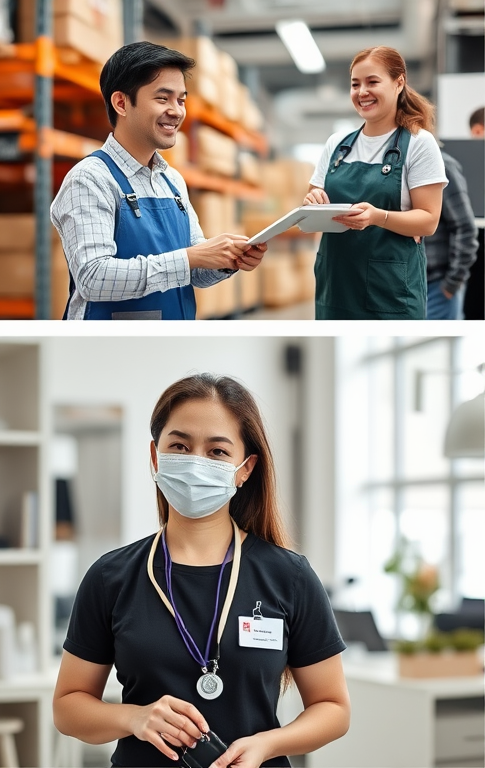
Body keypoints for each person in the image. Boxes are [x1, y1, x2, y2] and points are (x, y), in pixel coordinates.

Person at [54, 374, 350, 767]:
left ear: (245, 469)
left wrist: (268, 744)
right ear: (156, 457)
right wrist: (134, 718)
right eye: (180, 445)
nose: (196, 462)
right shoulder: (111, 576)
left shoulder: (289, 577)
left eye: (217, 452)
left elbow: (333, 708)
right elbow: (68, 707)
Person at [50, 42, 266, 321]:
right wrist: (191, 257)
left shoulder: (173, 181)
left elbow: (195, 273)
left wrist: (227, 260)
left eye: (181, 100)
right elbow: (93, 277)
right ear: (121, 103)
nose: (176, 111)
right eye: (163, 99)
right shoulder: (90, 179)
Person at [304, 46, 447, 320]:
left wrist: (378, 217)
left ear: (399, 83)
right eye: (355, 84)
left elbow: (428, 220)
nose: (362, 92)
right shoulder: (337, 145)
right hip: (335, 285)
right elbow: (313, 201)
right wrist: (311, 202)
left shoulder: (418, 143)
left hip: (390, 290)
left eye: (372, 82)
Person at [425, 151, 479, 319]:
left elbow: (465, 228)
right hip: (409, 287)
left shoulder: (441, 165)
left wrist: (451, 283)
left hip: (436, 288)